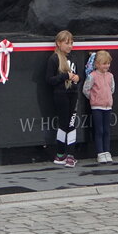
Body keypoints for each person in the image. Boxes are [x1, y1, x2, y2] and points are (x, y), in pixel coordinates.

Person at [45, 29, 81, 166]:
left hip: (73, 93)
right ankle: (61, 154)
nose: (70, 46)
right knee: (64, 123)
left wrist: (77, 78)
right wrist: (65, 76)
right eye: (67, 43)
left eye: (71, 43)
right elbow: (49, 79)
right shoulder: (54, 59)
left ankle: (69, 154)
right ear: (59, 43)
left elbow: (78, 76)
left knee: (71, 123)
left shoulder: (74, 58)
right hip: (60, 95)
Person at [81, 50, 115, 164]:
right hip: (97, 107)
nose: (106, 66)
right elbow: (86, 89)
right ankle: (100, 153)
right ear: (97, 64)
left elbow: (112, 89)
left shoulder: (110, 76)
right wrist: (94, 98)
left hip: (107, 106)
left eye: (108, 63)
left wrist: (108, 98)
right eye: (104, 63)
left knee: (106, 130)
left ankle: (107, 151)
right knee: (99, 130)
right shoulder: (92, 76)